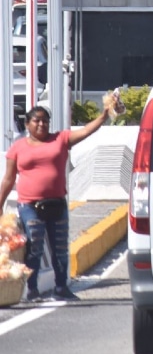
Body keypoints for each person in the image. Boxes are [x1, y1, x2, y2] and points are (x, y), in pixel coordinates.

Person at [1, 99, 116, 301]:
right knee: (34, 245)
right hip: (29, 205)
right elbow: (9, 179)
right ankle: (32, 288)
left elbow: (87, 131)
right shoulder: (18, 148)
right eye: (36, 121)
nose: (41, 124)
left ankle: (61, 288)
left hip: (57, 204)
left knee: (60, 249)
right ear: (27, 124)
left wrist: (104, 114)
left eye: (45, 121)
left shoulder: (60, 139)